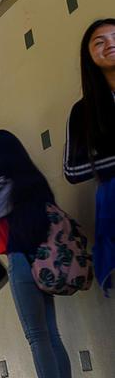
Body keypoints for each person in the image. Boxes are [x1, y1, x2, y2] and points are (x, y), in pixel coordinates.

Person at [0, 130, 80, 378]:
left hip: (23, 259)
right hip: (45, 261)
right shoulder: (35, 180)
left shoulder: (5, 183)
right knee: (51, 334)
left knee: (36, 335)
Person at [65, 18, 115, 296]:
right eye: (100, 41)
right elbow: (72, 170)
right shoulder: (84, 111)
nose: (110, 44)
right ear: (90, 56)